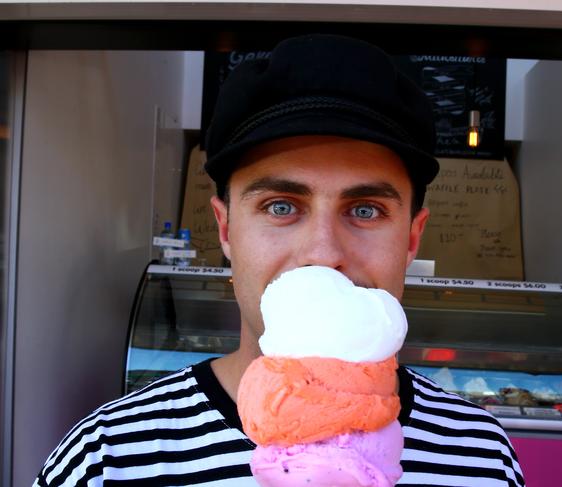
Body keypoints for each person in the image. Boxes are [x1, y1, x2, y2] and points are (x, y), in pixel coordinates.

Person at [34, 34, 525, 487]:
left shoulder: (479, 452)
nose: (322, 254)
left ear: (412, 238)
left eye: (365, 210)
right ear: (227, 230)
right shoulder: (108, 457)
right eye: (281, 206)